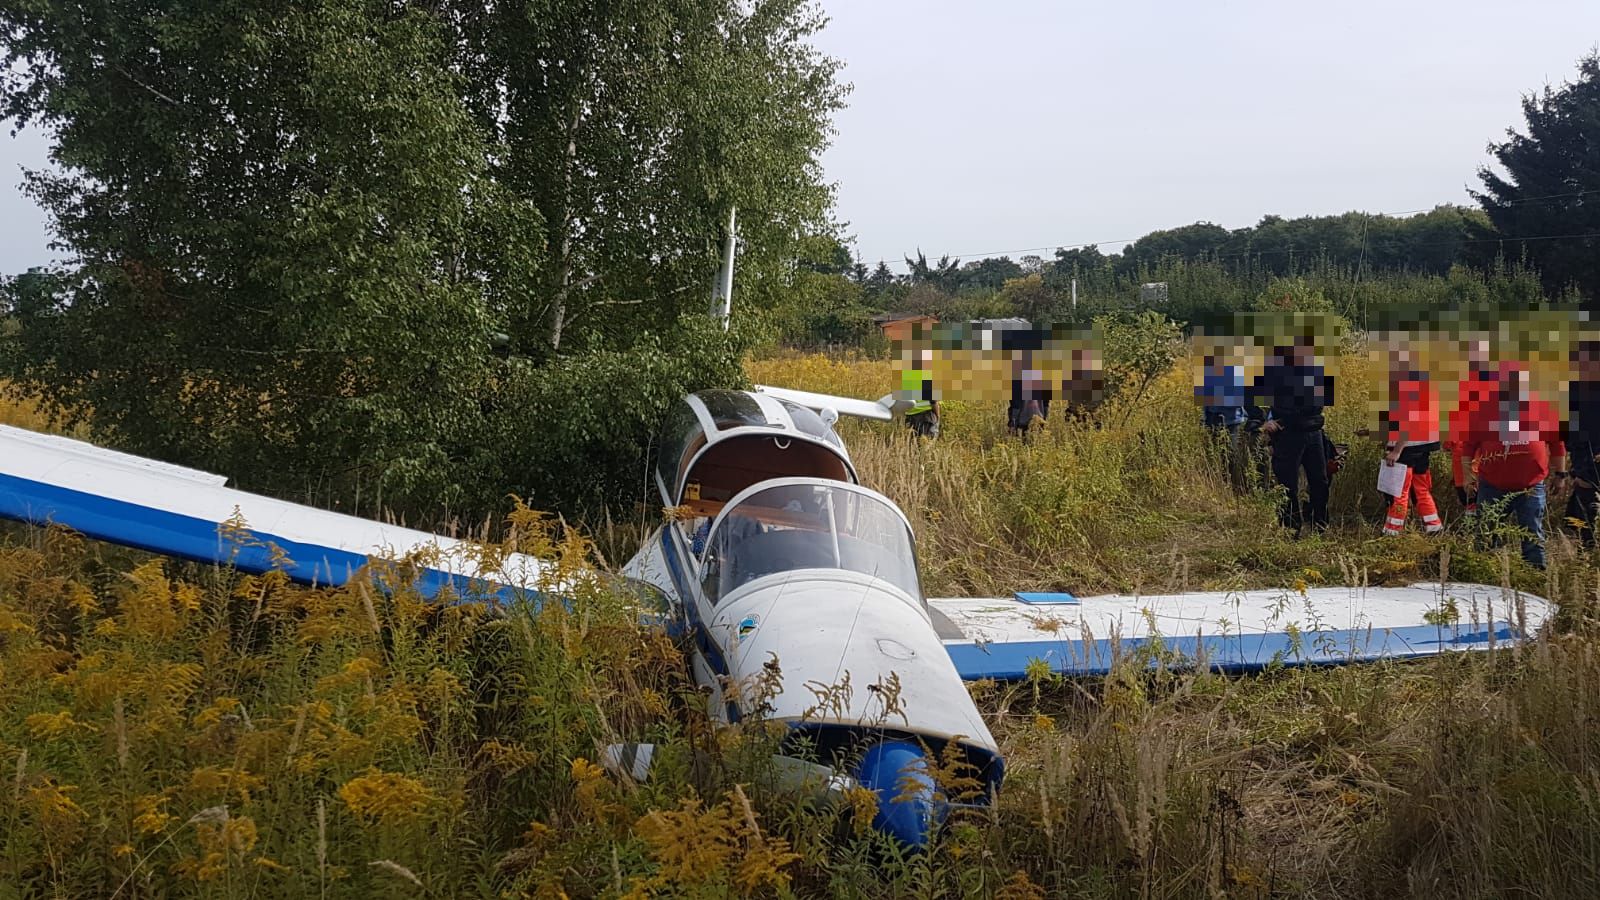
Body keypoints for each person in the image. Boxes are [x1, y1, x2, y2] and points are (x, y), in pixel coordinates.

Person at [1461, 362, 1565, 569]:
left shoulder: (1542, 408)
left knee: (1532, 535)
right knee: (1487, 533)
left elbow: (1557, 444)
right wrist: (1467, 476)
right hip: (1492, 485)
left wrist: (1561, 474)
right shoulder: (1485, 408)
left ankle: (1535, 578)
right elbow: (1468, 446)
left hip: (1531, 486)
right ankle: (1485, 575)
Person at [1249, 335, 1334, 535]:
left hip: (1314, 433)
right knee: (1287, 483)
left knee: (1320, 481)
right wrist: (1263, 422)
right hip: (1287, 434)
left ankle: (1319, 524)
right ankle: (1290, 529)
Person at [1379, 351, 1443, 535]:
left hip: (1407, 447)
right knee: (1421, 488)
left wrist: (1396, 450)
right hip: (1424, 446)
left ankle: (1392, 531)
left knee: (1398, 490)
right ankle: (1434, 527)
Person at [1446, 338, 1497, 519]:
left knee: (1474, 488)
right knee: (1467, 489)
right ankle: (1475, 526)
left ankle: (1478, 526)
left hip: (1482, 445)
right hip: (1466, 444)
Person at [1564, 340, 1600, 548]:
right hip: (1581, 449)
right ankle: (1588, 546)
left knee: (1588, 496)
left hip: (1592, 448)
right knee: (1585, 495)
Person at [901, 350, 940, 438]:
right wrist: (938, 417)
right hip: (926, 416)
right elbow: (933, 401)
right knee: (926, 446)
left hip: (910, 417)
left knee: (911, 447)